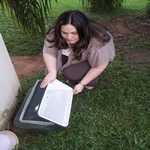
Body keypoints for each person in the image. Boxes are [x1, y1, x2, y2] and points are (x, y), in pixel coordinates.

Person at [40, 10, 115, 94]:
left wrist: (81, 84)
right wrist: (52, 71)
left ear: (83, 31)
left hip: (99, 59)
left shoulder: (98, 43)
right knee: (51, 71)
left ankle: (91, 80)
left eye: (74, 33)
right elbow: (49, 51)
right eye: (64, 33)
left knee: (71, 73)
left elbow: (99, 66)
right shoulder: (55, 32)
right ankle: (69, 67)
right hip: (74, 52)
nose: (69, 37)